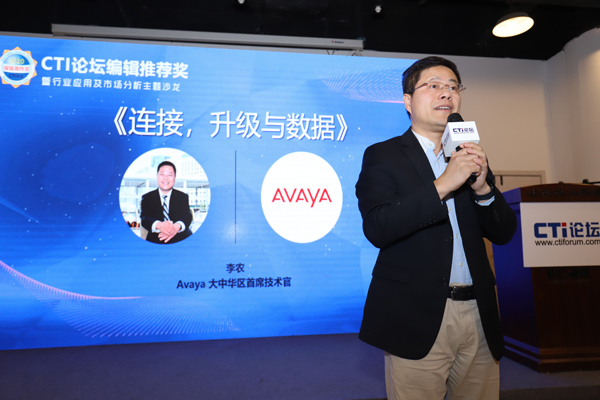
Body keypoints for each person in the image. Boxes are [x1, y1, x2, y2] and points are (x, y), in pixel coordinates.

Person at [355, 56, 517, 399]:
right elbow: (379, 226)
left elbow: (503, 233)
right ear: (408, 100)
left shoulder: (468, 154)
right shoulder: (383, 155)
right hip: (416, 312)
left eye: (453, 87)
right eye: (433, 86)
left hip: (479, 312)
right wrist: (444, 183)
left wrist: (482, 188)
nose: (446, 93)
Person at [141, 161, 193, 244]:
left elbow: (187, 215)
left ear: (174, 177)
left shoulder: (182, 196)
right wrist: (159, 225)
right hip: (156, 240)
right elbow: (144, 218)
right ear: (157, 176)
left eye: (170, 175)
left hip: (181, 239)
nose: (166, 178)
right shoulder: (147, 197)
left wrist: (177, 227)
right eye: (162, 174)